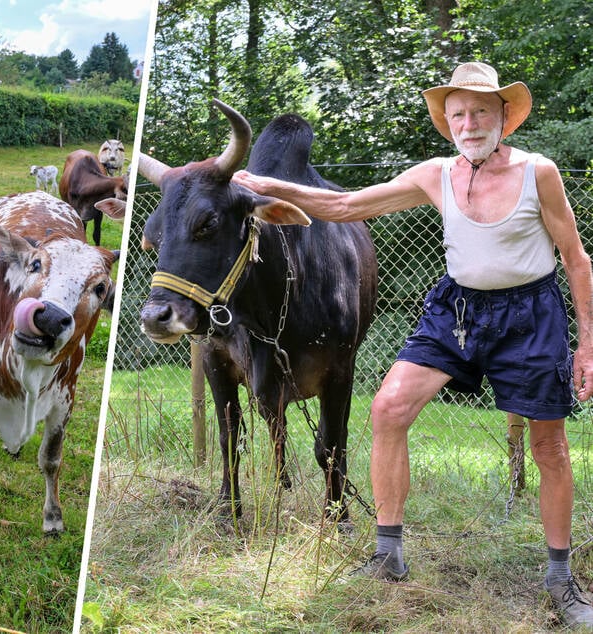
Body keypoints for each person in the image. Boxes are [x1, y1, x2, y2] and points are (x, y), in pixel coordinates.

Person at [232, 61, 593, 627]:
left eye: (480, 111)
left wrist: (587, 346)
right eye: (458, 114)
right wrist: (267, 185)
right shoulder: (435, 174)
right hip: (458, 310)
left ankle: (560, 579)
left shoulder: (538, 173)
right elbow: (348, 206)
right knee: (388, 408)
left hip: (531, 314)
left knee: (548, 446)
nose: (469, 122)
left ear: (504, 115)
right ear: (447, 123)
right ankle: (389, 554)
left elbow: (576, 259)